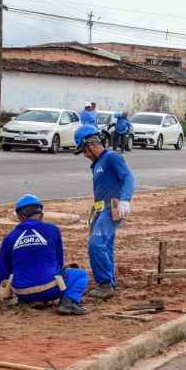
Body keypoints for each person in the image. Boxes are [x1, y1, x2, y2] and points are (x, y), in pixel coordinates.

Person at [0, 195, 90, 315]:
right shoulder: (53, 229)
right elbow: (58, 261)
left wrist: (3, 291)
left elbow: (2, 270)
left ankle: (25, 301)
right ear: (41, 214)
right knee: (81, 275)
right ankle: (68, 303)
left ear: (19, 217)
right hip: (49, 289)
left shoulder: (9, 237)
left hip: (22, 292)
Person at [73, 125, 135, 300]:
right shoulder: (96, 164)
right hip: (101, 209)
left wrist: (125, 200)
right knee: (106, 245)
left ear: (91, 144)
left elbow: (128, 177)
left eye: (84, 150)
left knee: (96, 243)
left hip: (113, 207)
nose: (84, 155)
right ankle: (110, 284)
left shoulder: (112, 157)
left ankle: (105, 284)